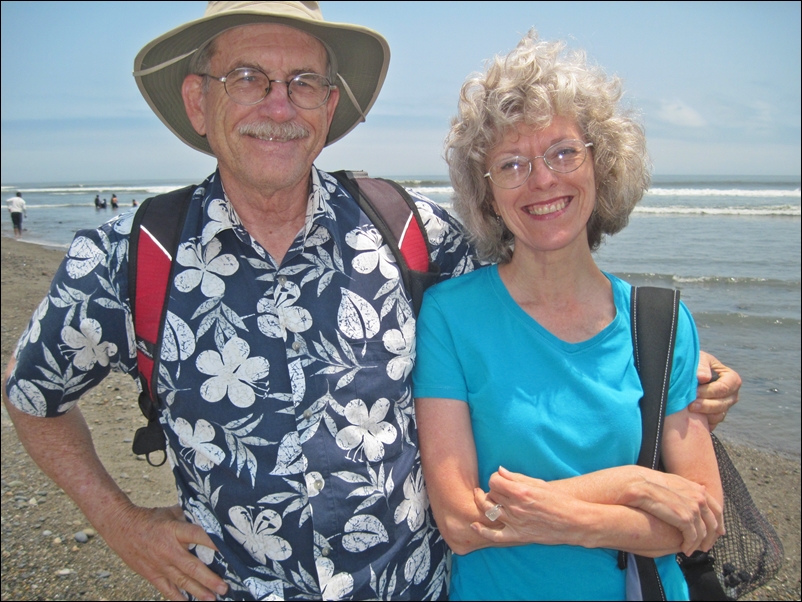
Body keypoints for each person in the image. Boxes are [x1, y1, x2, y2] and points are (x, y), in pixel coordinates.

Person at [2, 4, 739, 601]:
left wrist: (674, 362)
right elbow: (32, 396)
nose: (279, 106)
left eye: (304, 84)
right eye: (249, 78)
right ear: (199, 100)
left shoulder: (408, 231)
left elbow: (538, 279)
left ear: (330, 105)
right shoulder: (131, 259)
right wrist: (119, 523)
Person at [413, 32, 724, 600]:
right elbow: (460, 522)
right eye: (511, 163)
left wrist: (558, 515)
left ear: (600, 165)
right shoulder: (450, 317)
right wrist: (631, 485)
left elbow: (701, 518)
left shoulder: (659, 323)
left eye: (562, 152)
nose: (542, 180)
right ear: (486, 197)